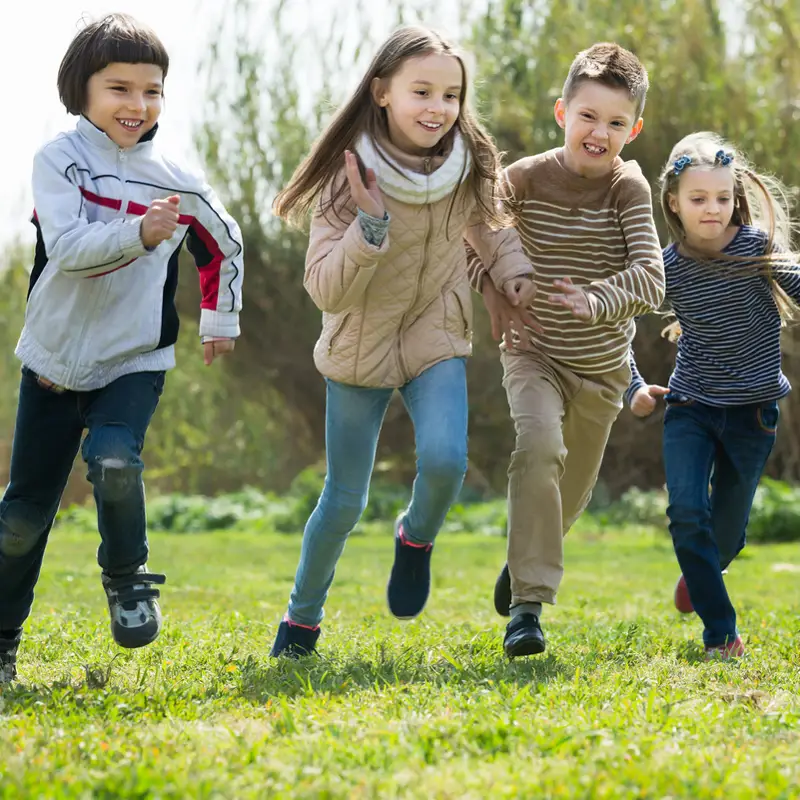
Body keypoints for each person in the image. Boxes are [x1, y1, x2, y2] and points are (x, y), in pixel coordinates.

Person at [269, 25, 535, 657]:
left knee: (446, 461)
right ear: (382, 92)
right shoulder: (349, 175)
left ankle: (415, 539)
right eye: (422, 92)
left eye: (450, 95)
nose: (437, 108)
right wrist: (371, 224)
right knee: (343, 500)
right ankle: (300, 621)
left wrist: (515, 278)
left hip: (435, 332)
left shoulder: (467, 162)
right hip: (359, 343)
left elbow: (492, 230)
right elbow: (325, 291)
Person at [0, 13, 244, 684]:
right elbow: (71, 250)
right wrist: (139, 235)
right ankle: (1, 645)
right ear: (80, 90)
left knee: (113, 459)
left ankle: (127, 577)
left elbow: (225, 243)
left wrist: (220, 320)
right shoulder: (58, 161)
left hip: (134, 358)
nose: (137, 105)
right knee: (19, 523)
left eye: (151, 90)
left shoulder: (176, 179)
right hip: (51, 361)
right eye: (119, 89)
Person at [474, 43, 665, 657]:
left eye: (614, 123)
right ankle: (526, 612)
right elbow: (471, 233)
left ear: (632, 131)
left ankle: (525, 556)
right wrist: (493, 292)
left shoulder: (626, 188)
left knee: (570, 493)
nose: (598, 133)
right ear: (562, 112)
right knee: (538, 451)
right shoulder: (524, 178)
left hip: (603, 370)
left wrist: (596, 297)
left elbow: (651, 278)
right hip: (534, 352)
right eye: (587, 116)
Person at [627, 132, 800, 659]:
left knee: (727, 535)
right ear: (674, 203)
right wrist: (634, 385)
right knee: (685, 512)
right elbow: (617, 325)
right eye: (698, 199)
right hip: (691, 407)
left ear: (736, 198)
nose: (712, 209)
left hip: (754, 414)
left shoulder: (759, 252)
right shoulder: (665, 267)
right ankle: (721, 633)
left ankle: (704, 570)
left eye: (722, 198)